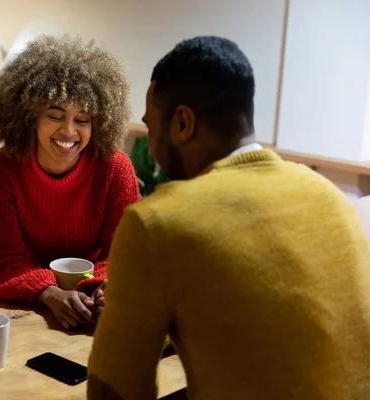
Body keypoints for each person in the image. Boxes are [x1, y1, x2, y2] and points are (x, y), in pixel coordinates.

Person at [88, 36, 370, 400]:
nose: (151, 140)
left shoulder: (157, 223)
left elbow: (114, 391)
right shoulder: (328, 194)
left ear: (183, 123)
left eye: (150, 125)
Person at [0, 35, 140, 330]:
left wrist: (104, 288)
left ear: (99, 123)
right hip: (24, 305)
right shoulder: (1, 169)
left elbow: (125, 253)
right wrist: (48, 293)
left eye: (83, 119)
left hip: (89, 304)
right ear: (30, 116)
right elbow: (0, 258)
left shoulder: (115, 169)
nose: (69, 131)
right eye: (55, 115)